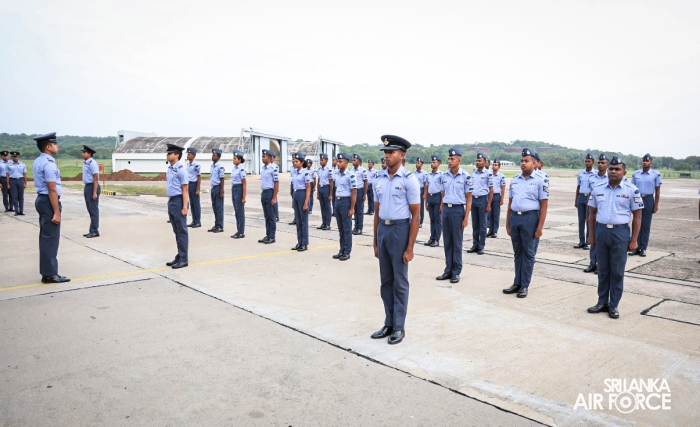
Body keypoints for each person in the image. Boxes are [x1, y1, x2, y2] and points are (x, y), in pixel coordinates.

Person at [370, 135, 421, 345]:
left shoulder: (409, 180)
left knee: (400, 281)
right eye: (385, 152)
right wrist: (375, 241)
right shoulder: (378, 179)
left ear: (402, 155)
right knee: (386, 281)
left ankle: (399, 327)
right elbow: (376, 212)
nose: (387, 155)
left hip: (400, 230)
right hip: (384, 229)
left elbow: (416, 216)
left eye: (391, 152)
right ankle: (389, 323)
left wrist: (410, 247)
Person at [586, 157, 642, 319]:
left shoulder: (632, 190)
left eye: (617, 169)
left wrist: (634, 240)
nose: (613, 171)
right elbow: (592, 214)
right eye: (611, 168)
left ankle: (614, 305)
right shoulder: (598, 189)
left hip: (620, 233)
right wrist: (591, 234)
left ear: (624, 172)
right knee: (603, 270)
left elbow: (638, 217)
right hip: (601, 232)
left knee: (617, 271)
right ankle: (602, 302)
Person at [502, 148, 549, 298]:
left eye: (526, 161)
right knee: (518, 253)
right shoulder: (515, 179)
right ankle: (517, 282)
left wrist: (539, 228)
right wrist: (508, 223)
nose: (523, 163)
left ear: (534, 164)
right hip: (515, 218)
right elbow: (510, 203)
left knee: (528, 254)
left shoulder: (540, 180)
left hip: (530, 218)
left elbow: (544, 206)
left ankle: (524, 285)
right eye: (522, 161)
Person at [32, 133, 70, 283]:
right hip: (49, 201)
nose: (57, 146)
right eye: (55, 144)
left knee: (46, 238)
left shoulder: (38, 161)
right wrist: (56, 212)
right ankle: (50, 274)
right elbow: (52, 189)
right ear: (48, 147)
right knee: (51, 240)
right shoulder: (49, 164)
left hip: (42, 200)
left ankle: (47, 272)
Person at [435, 148, 472, 284]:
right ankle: (448, 270)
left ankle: (456, 271)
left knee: (457, 242)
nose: (450, 161)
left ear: (459, 160)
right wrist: (442, 209)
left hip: (458, 210)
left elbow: (469, 199)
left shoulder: (465, 176)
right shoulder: (444, 176)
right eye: (449, 159)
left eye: (452, 159)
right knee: (447, 241)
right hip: (446, 210)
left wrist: (466, 217)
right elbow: (443, 194)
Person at [629, 153, 662, 257]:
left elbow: (657, 191)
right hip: (637, 198)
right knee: (636, 223)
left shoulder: (655, 174)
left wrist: (656, 205)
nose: (645, 162)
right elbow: (631, 189)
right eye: (643, 161)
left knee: (646, 225)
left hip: (648, 199)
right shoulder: (636, 174)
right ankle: (635, 247)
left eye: (647, 161)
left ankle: (643, 248)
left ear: (651, 162)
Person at [584, 153, 610, 274]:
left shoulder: (610, 178)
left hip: (603, 212)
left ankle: (601, 264)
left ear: (607, 165)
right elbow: (590, 196)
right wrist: (587, 213)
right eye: (599, 162)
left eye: (603, 163)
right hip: (593, 211)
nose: (600, 165)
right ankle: (592, 263)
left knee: (601, 240)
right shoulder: (592, 178)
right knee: (592, 236)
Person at [164, 144, 189, 269]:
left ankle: (184, 259)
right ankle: (180, 255)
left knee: (181, 231)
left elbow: (185, 190)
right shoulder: (170, 169)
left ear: (176, 155)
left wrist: (185, 207)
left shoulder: (181, 170)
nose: (167, 155)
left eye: (170, 153)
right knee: (176, 231)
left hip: (179, 201)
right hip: (172, 201)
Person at [330, 153, 356, 260]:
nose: (338, 163)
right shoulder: (337, 174)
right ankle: (341, 250)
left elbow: (354, 192)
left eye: (340, 162)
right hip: (338, 201)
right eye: (338, 161)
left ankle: (347, 251)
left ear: (346, 163)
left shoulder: (351, 175)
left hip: (346, 202)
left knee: (347, 228)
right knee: (341, 228)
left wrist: (352, 208)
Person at [467, 153, 493, 255]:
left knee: (482, 225)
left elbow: (491, 190)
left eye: (479, 161)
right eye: (477, 161)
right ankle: (475, 245)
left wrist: (489, 204)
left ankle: (481, 246)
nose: (477, 162)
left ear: (485, 162)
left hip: (483, 199)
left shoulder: (488, 174)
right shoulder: (473, 173)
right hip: (474, 199)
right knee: (475, 224)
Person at [291, 153, 312, 251]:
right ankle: (299, 242)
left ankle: (304, 243)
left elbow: (308, 189)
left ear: (302, 162)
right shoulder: (294, 172)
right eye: (294, 161)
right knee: (298, 221)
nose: (294, 163)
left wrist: (306, 203)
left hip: (302, 195)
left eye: (297, 161)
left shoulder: (305, 173)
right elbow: (294, 187)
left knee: (304, 221)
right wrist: (293, 200)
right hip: (296, 194)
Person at [574, 153, 595, 249]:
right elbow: (578, 187)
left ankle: (588, 242)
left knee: (589, 220)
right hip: (581, 197)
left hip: (590, 197)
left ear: (593, 162)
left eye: (589, 161)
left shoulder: (595, 174)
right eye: (586, 161)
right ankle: (581, 241)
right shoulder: (581, 173)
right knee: (581, 220)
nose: (587, 163)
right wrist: (576, 200)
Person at [258, 149, 279, 244]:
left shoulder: (273, 168)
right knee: (266, 216)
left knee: (271, 216)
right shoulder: (263, 168)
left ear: (270, 158)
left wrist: (274, 197)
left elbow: (276, 183)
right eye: (262, 156)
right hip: (264, 192)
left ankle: (272, 236)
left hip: (270, 192)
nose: (262, 158)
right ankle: (268, 235)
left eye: (264, 156)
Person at [81, 145, 101, 237]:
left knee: (93, 210)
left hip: (93, 186)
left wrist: (94, 192)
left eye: (84, 152)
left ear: (89, 154)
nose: (83, 154)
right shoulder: (86, 163)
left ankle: (94, 231)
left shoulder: (92, 163)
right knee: (90, 209)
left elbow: (95, 178)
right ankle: (92, 229)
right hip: (88, 186)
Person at [424, 154, 443, 247]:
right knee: (432, 219)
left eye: (434, 162)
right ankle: (432, 238)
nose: (432, 163)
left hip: (438, 197)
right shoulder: (428, 175)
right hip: (430, 197)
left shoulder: (441, 175)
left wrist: (442, 203)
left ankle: (436, 239)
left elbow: (443, 190)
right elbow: (427, 188)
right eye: (431, 162)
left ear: (438, 163)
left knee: (437, 219)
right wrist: (426, 202)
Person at [486, 158, 506, 238]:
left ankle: (495, 231)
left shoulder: (501, 176)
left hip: (496, 196)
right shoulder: (489, 175)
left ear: (499, 167)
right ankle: (490, 231)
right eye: (493, 165)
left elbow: (503, 188)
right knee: (490, 214)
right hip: (489, 196)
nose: (494, 166)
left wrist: (502, 199)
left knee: (496, 215)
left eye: (496, 165)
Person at [230, 150, 247, 239]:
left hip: (239, 188)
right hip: (234, 188)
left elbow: (244, 183)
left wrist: (243, 197)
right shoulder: (234, 168)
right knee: (236, 211)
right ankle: (238, 230)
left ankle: (241, 232)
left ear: (239, 160)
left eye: (235, 158)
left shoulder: (241, 169)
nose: (233, 160)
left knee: (240, 211)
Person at [208, 148, 225, 233]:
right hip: (213, 188)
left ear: (218, 157)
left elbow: (222, 179)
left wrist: (221, 191)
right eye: (212, 155)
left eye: (214, 155)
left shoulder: (220, 167)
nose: (212, 156)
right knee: (214, 207)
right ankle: (216, 225)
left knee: (219, 208)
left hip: (218, 188)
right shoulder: (212, 166)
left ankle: (220, 226)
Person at [351, 154, 368, 235]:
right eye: (353, 160)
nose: (353, 161)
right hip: (353, 191)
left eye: (355, 160)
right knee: (355, 210)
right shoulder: (351, 170)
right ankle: (356, 226)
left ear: (359, 161)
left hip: (360, 191)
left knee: (360, 211)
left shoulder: (363, 170)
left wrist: (364, 194)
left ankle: (360, 228)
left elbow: (366, 183)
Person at [316, 153, 333, 230]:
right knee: (322, 207)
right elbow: (318, 181)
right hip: (321, 188)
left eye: (322, 160)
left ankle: (328, 224)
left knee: (327, 207)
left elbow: (331, 182)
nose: (321, 161)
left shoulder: (329, 170)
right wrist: (318, 192)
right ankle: (324, 223)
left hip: (326, 188)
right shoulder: (319, 169)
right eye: (320, 160)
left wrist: (330, 194)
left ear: (326, 160)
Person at [186, 147, 202, 228]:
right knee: (192, 203)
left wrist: (197, 189)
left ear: (193, 155)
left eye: (189, 154)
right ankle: (194, 220)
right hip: (190, 184)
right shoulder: (188, 164)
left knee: (196, 204)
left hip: (194, 184)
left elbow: (199, 177)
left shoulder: (196, 165)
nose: (187, 155)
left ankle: (198, 221)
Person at [414, 157, 427, 228]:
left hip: (421, 190)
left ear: (422, 164)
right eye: (416, 162)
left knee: (421, 207)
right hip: (415, 190)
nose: (417, 164)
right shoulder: (413, 173)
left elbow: (425, 184)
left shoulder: (424, 173)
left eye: (419, 163)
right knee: (415, 206)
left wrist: (425, 193)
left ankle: (420, 222)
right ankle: (415, 220)